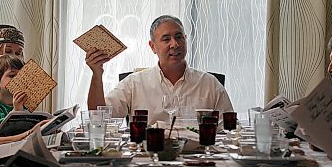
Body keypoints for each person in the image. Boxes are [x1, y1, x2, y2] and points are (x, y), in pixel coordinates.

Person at [86, 15, 234, 125]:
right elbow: (99, 118)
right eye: (166, 39)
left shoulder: (209, 84)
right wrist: (96, 74)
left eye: (179, 37)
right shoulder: (134, 83)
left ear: (186, 40)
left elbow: (229, 131)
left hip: (198, 159)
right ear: (152, 47)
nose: (174, 44)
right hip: (148, 158)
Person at [0, 54, 46, 140]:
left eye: (22, 77)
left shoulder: (24, 106)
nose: (18, 81)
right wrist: (16, 112)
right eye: (12, 76)